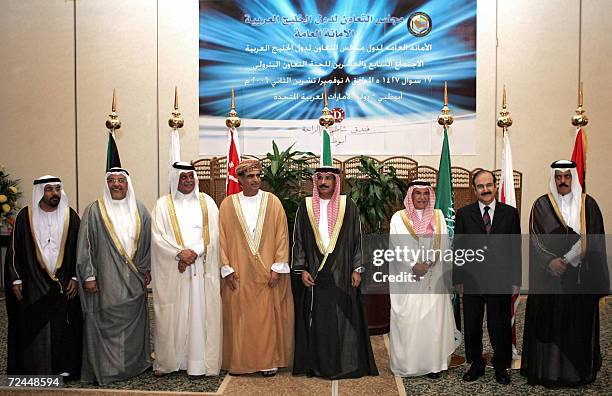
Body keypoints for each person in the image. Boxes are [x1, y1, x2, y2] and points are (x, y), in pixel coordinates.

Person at [521, 159, 609, 387]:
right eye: (558, 177)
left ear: (573, 178)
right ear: (553, 178)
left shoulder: (588, 204)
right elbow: (536, 237)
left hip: (579, 278)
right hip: (549, 278)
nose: (562, 181)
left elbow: (595, 237)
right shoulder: (541, 205)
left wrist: (568, 259)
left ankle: (576, 370)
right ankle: (548, 372)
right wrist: (550, 261)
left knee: (576, 324)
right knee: (549, 324)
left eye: (567, 176)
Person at [292, 166, 378, 379]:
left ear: (336, 181)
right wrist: (301, 269)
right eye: (319, 178)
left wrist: (357, 268)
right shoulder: (306, 207)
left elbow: (357, 239)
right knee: (319, 320)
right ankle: (318, 365)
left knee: (344, 318)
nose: (323, 182)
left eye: (328, 178)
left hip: (342, 272)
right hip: (315, 273)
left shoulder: (348, 206)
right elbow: (299, 241)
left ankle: (346, 365)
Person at [76, 167, 152, 385]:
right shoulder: (94, 211)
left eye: (121, 180)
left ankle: (132, 365)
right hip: (104, 281)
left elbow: (146, 243)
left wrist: (145, 269)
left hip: (133, 280)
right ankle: (107, 369)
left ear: (128, 184)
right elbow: (85, 247)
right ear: (106, 184)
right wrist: (88, 276)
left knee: (133, 327)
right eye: (112, 181)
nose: (117, 184)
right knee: (104, 322)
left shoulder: (140, 210)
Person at [218, 159, 293, 376]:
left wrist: (278, 268)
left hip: (267, 272)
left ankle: (268, 361)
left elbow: (281, 235)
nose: (256, 180)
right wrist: (226, 268)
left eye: (258, 175)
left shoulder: (273, 202)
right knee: (241, 317)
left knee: (266, 317)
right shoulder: (227, 204)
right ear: (240, 179)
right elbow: (221, 239)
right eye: (250, 176)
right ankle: (241, 362)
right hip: (239, 273)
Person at [4, 175, 82, 379]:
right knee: (34, 324)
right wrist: (16, 279)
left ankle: (63, 368)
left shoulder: (69, 216)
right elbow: (14, 251)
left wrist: (75, 277)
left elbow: (78, 249)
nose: (54, 193)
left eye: (57, 188)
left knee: (62, 325)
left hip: (63, 281)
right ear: (40, 192)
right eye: (49, 189)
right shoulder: (24, 216)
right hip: (33, 283)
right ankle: (34, 368)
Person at [151, 162, 222, 376]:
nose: (188, 181)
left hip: (201, 267)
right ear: (175, 180)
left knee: (200, 313)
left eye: (191, 177)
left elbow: (215, 233)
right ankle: (171, 362)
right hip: (174, 269)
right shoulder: (163, 205)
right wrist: (179, 253)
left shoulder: (207, 202)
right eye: (183, 177)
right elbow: (157, 236)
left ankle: (198, 363)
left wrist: (195, 252)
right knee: (173, 314)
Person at [453, 170, 521, 385]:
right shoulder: (464, 214)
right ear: (474, 190)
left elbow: (515, 248)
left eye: (489, 185)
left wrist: (515, 278)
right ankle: (476, 363)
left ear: (495, 186)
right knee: (472, 324)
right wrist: (458, 278)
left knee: (498, 324)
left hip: (499, 280)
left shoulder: (510, 213)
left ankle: (501, 365)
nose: (485, 189)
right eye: (480, 186)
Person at [388, 180, 455, 378]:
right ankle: (409, 365)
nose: (422, 198)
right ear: (410, 196)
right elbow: (396, 246)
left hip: (434, 278)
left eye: (426, 193)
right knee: (410, 321)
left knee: (433, 323)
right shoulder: (398, 218)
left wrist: (430, 263)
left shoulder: (438, 216)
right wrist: (413, 265)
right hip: (409, 279)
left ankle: (433, 365)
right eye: (417, 193)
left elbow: (444, 243)